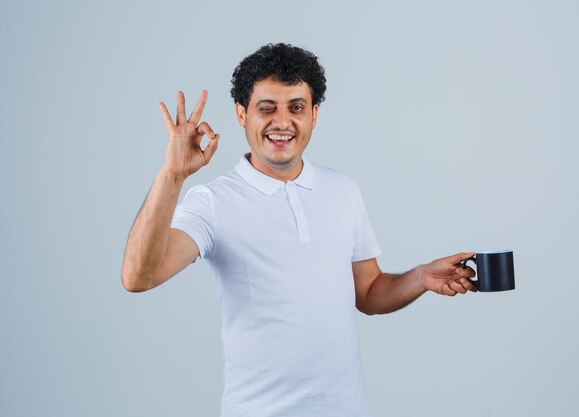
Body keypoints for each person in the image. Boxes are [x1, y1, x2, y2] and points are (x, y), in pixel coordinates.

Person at [121, 43, 477, 417]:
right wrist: (172, 176)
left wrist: (422, 277)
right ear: (241, 113)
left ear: (314, 115)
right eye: (266, 108)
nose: (282, 122)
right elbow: (139, 276)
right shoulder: (213, 202)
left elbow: (369, 292)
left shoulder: (343, 190)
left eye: (296, 107)